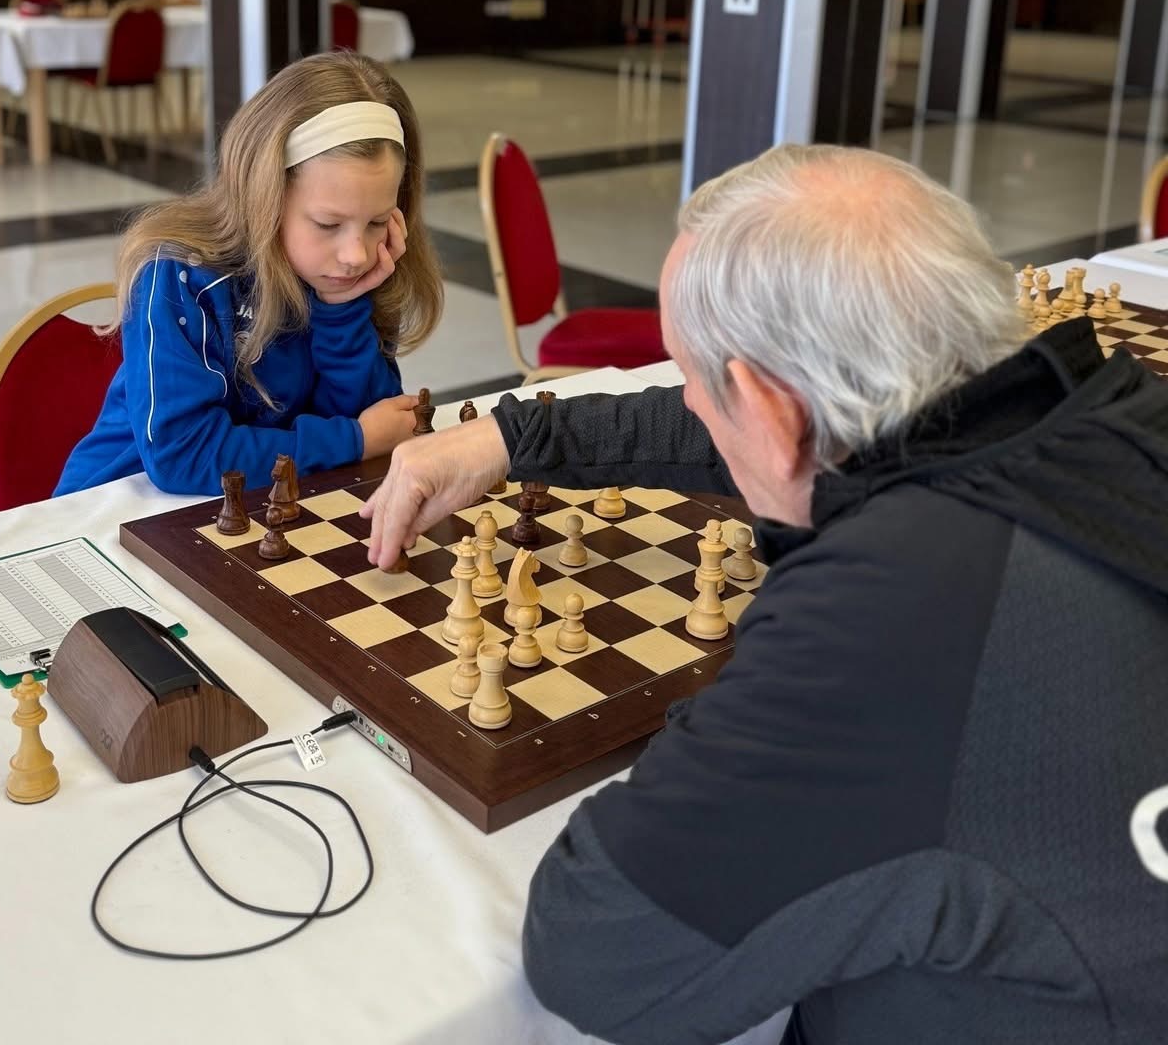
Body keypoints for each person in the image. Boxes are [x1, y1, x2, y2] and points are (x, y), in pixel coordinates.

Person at [362, 145, 1168, 1044]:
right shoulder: (1120, 408)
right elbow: (778, 431)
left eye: (696, 381)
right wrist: (512, 438)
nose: (691, 405)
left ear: (769, 406)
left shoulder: (897, 615)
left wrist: (745, 716)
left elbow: (594, 953)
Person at [56, 49, 442, 497]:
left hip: (264, 505)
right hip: (123, 506)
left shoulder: (359, 272)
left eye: (377, 222)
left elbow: (379, 424)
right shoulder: (181, 274)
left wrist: (342, 311)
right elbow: (184, 454)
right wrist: (353, 440)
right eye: (327, 224)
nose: (356, 254)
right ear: (263, 196)